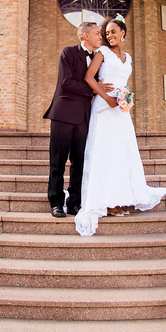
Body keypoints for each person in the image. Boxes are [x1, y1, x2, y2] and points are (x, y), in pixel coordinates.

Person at [75, 17, 166, 237]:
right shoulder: (103, 53)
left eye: (112, 32)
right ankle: (108, 202)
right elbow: (89, 77)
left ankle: (121, 197)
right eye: (106, 33)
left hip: (120, 110)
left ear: (123, 33)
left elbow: (123, 83)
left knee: (121, 153)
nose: (109, 36)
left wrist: (124, 97)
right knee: (105, 152)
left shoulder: (128, 59)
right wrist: (106, 96)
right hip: (104, 107)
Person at [43, 22, 107, 217]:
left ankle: (74, 203)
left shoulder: (99, 59)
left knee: (79, 162)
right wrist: (94, 88)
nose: (100, 36)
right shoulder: (68, 52)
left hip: (84, 118)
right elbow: (66, 83)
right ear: (85, 36)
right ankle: (56, 203)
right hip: (63, 115)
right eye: (97, 33)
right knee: (58, 162)